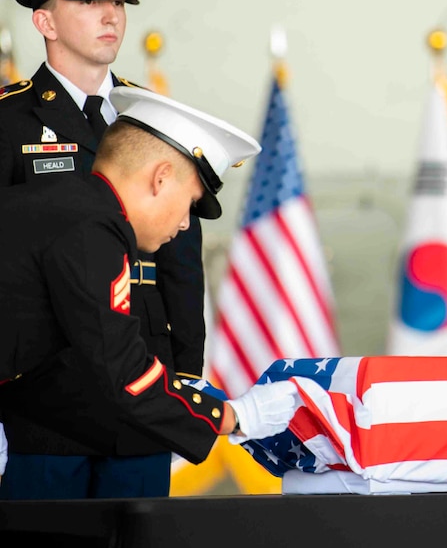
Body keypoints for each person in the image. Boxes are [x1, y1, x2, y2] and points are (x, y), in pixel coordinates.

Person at [0, 87, 299, 499]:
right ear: (160, 178)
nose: (182, 226)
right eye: (190, 203)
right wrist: (234, 416)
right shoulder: (93, 229)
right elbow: (121, 371)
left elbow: (65, 363)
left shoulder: (58, 209)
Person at [0, 0, 207, 498]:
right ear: (45, 22)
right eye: (89, 1)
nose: (110, 14)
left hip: (143, 374)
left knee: (142, 531)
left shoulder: (156, 119)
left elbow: (183, 255)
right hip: (46, 390)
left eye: (116, 0)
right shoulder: (9, 123)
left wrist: (186, 368)